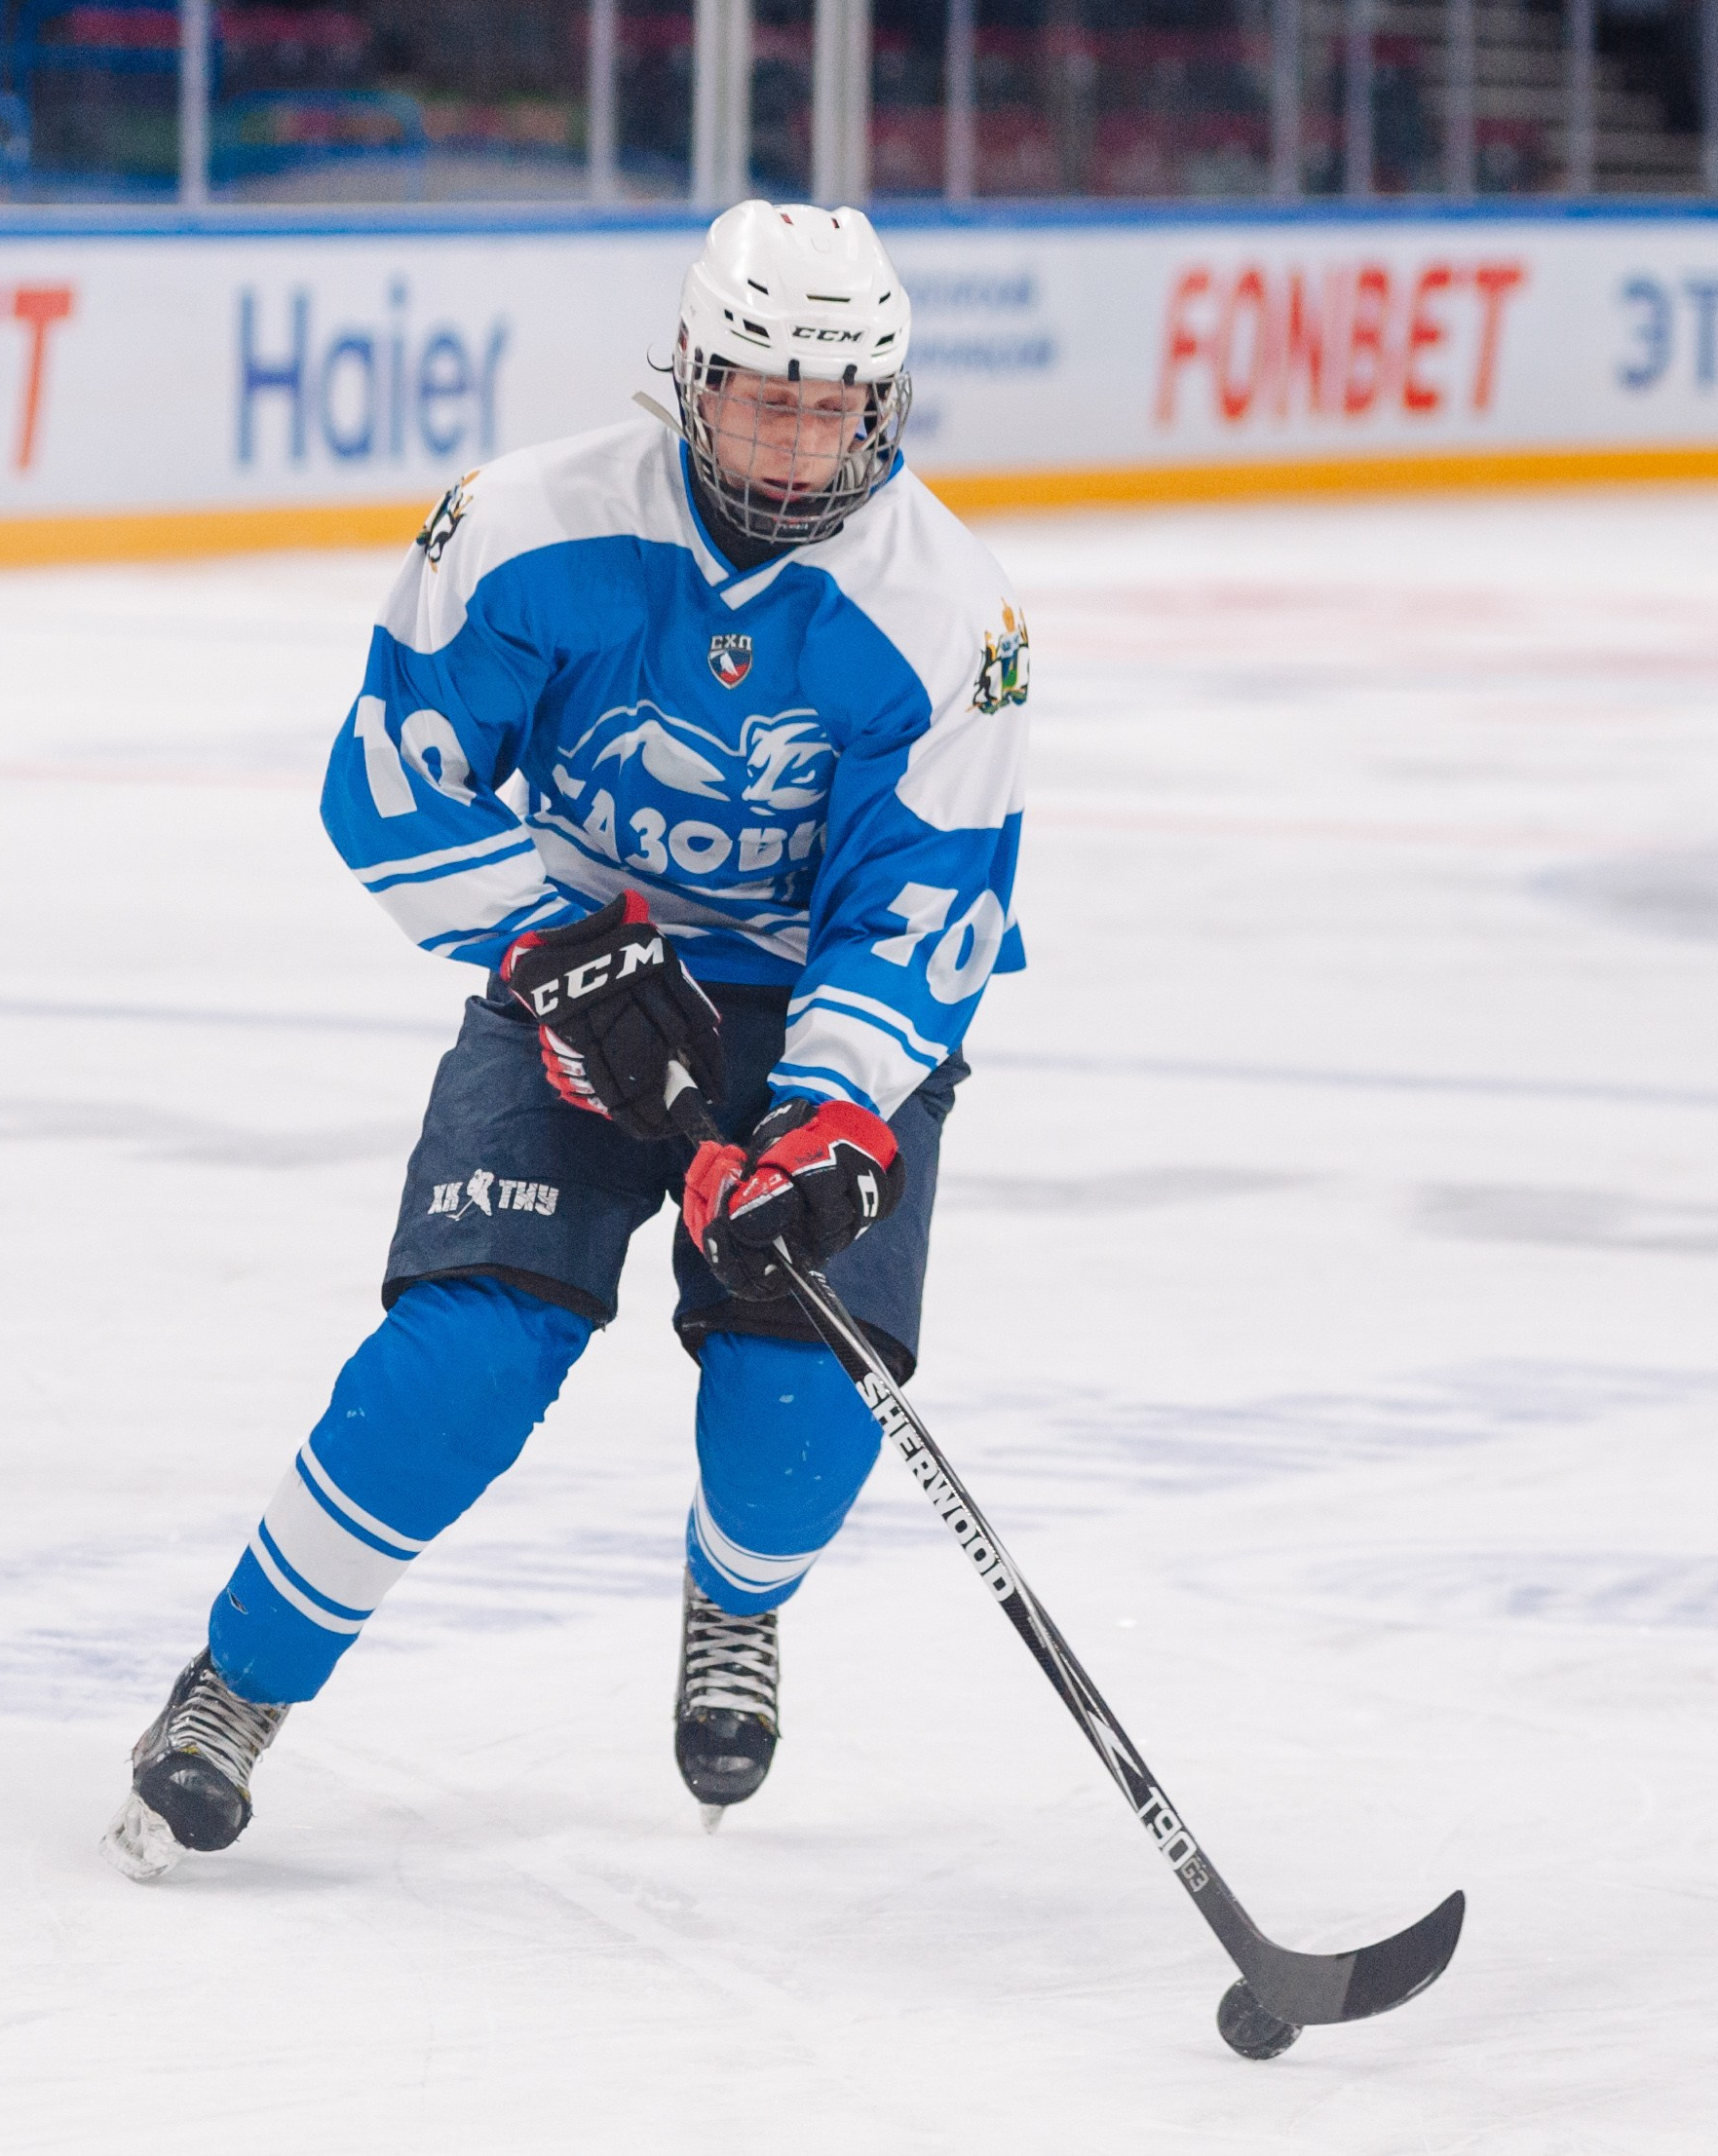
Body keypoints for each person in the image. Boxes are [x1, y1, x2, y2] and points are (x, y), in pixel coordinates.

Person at [103, 200, 1030, 1879]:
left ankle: (731, 1602)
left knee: (796, 1412)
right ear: (690, 373)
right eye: (764, 395)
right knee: (461, 1355)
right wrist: (553, 952)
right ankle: (237, 1686)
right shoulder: (526, 527)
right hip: (573, 976)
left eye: (834, 406)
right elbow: (390, 778)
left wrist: (828, 1116)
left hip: (809, 1011)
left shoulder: (947, 610)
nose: (798, 437)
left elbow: (925, 904)